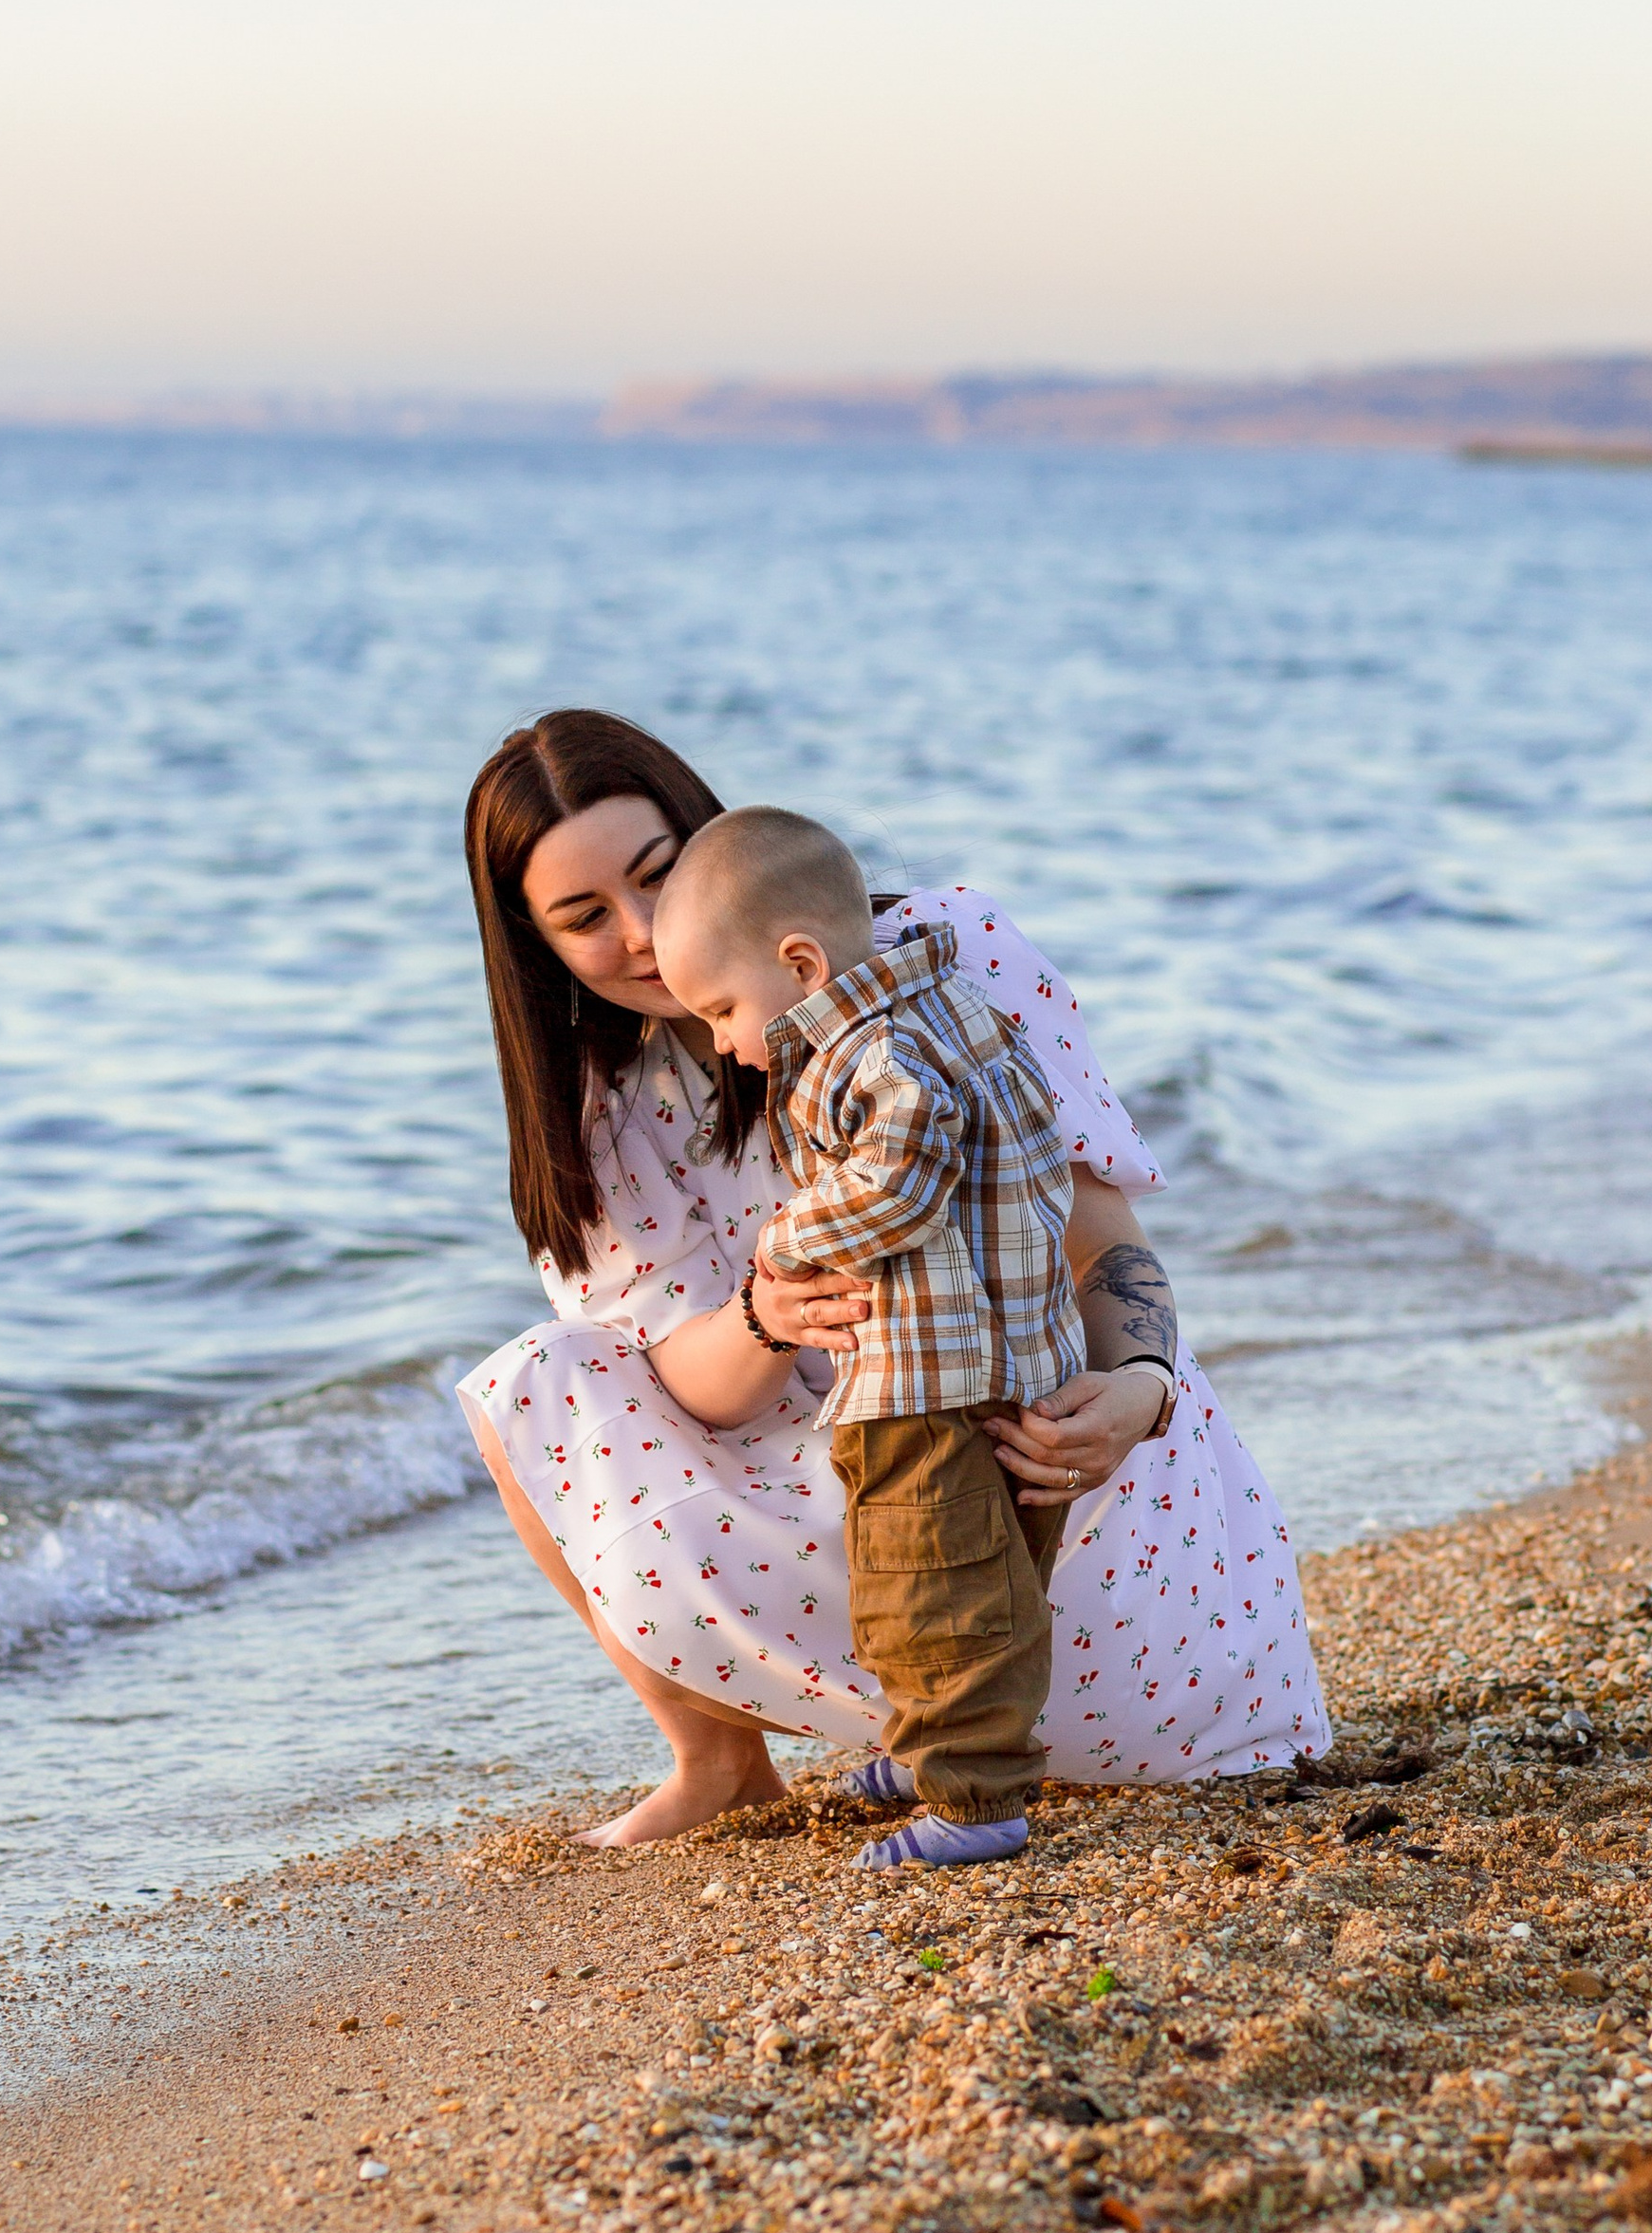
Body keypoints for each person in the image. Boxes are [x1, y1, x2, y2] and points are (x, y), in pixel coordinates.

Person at [458, 709, 1329, 1846]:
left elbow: (1099, 1237)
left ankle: (944, 1749)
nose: (637, 933)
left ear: (717, 844)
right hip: (875, 1523)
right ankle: (731, 1764)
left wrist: (1140, 1393)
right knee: (535, 1383)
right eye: (584, 918)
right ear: (538, 948)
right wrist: (766, 1314)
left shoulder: (943, 946)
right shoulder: (597, 1108)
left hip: (1074, 1497)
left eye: (658, 876)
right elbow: (691, 1391)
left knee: (548, 1390)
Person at [651, 804, 1084, 1873]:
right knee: (994, 1580)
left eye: (719, 1010)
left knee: (927, 1589)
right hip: (1012, 1355)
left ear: (798, 964)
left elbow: (902, 1169)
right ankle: (928, 1746)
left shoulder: (865, 1049)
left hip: (924, 1377)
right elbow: (1036, 1150)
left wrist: (787, 1237)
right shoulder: (955, 1003)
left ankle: (974, 1800)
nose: (720, 1042)